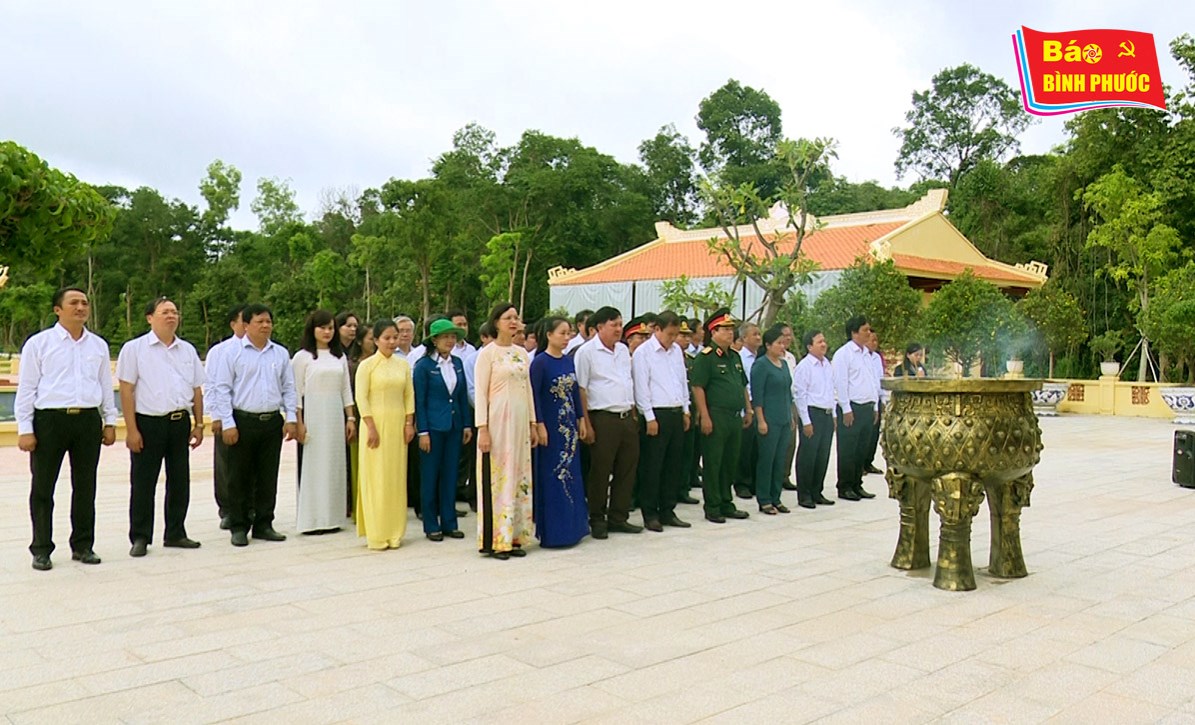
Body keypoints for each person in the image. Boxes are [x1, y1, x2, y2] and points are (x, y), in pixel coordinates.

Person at [17, 287, 117, 570]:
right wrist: (26, 428)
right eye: (73, 303)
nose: (80, 307)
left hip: (86, 421)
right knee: (43, 486)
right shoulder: (39, 344)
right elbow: (27, 389)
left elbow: (105, 387)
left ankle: (83, 545)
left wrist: (109, 421)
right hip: (50, 421)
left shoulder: (98, 345)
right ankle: (41, 548)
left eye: (84, 303)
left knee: (85, 486)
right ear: (57, 309)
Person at [116, 297, 206, 557]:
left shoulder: (187, 350)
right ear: (149, 318)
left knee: (180, 480)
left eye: (175, 312)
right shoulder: (134, 349)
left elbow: (197, 389)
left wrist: (199, 424)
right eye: (165, 312)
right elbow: (126, 390)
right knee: (144, 482)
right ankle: (141, 536)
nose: (171, 316)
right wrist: (131, 430)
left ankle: (176, 532)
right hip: (149, 423)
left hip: (179, 422)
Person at [209, 303, 298, 546]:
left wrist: (291, 418)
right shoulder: (232, 354)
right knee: (238, 476)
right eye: (260, 321)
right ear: (246, 325)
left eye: (268, 321)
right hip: (242, 421)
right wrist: (227, 422)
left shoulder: (279, 353)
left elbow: (289, 388)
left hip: (271, 422)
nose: (265, 325)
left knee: (267, 476)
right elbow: (222, 389)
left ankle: (264, 523)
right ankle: (238, 525)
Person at [474, 303, 538, 559]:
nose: (513, 321)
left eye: (516, 317)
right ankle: (497, 539)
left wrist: (533, 423)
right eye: (507, 317)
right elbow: (480, 393)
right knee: (500, 476)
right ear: (496, 322)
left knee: (520, 475)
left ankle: (515, 536)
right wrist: (483, 428)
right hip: (498, 421)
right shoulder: (487, 354)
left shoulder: (522, 353)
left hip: (521, 423)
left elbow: (529, 389)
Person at [575, 306, 642, 538]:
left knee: (627, 468)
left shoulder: (623, 350)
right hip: (602, 417)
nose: (618, 329)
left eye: (620, 324)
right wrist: (586, 422)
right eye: (613, 325)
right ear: (599, 327)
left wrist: (633, 412)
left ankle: (618, 516)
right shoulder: (586, 352)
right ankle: (597, 517)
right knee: (601, 470)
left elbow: (627, 381)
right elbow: (581, 389)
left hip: (626, 416)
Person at [292, 310, 355, 535]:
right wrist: (298, 421)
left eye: (330, 328)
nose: (327, 332)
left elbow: (346, 389)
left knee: (334, 465)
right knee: (314, 466)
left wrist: (350, 417)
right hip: (313, 415)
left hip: (335, 414)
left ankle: (332, 518)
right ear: (313, 329)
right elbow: (296, 393)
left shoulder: (339, 357)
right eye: (322, 327)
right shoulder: (302, 357)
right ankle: (312, 519)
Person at [355, 318, 415, 550]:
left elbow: (409, 395)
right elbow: (362, 397)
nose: (391, 342)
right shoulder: (367, 365)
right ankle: (377, 532)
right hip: (375, 424)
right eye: (386, 338)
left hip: (398, 423)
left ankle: (395, 531)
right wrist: (370, 426)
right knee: (376, 476)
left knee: (395, 476)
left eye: (395, 337)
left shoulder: (403, 365)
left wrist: (409, 423)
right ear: (376, 340)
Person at [530, 316, 589, 547]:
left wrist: (581, 419)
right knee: (553, 475)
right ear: (549, 335)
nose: (567, 338)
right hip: (551, 429)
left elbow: (575, 392)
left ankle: (574, 528)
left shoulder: (567, 361)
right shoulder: (540, 363)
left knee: (572, 474)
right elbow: (533, 396)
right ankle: (554, 532)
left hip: (569, 428)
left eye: (569, 333)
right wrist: (539, 424)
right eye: (562, 333)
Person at [690, 308, 753, 524]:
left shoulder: (734, 356)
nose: (730, 333)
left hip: (735, 416)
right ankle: (713, 505)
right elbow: (698, 387)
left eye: (731, 329)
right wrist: (704, 416)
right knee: (714, 462)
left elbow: (742, 385)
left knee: (730, 462)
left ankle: (727, 502)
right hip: (716, 415)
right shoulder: (706, 358)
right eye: (725, 329)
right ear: (713, 332)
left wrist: (748, 409)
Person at [630, 311, 692, 531]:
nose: (673, 339)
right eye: (669, 334)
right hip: (656, 413)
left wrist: (685, 409)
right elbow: (641, 386)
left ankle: (668, 509)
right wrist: (649, 416)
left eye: (676, 334)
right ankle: (650, 513)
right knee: (652, 466)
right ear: (657, 329)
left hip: (675, 411)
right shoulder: (643, 353)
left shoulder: (676, 352)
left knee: (673, 466)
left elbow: (681, 381)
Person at [413, 319, 473, 541]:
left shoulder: (457, 363)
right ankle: (431, 524)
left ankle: (449, 521)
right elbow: (419, 402)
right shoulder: (424, 366)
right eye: (446, 336)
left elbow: (461, 395)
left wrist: (466, 424)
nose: (450, 340)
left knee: (450, 475)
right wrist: (423, 432)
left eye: (453, 336)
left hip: (454, 426)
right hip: (433, 428)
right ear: (434, 340)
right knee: (430, 476)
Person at [205, 304, 247, 530]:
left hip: (250, 415)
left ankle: (250, 508)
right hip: (226, 414)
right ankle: (227, 509)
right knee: (226, 466)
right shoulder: (220, 351)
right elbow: (211, 384)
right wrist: (217, 416)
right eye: (244, 320)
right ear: (233, 324)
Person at [832, 315, 880, 501]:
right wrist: (846, 408)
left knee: (862, 448)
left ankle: (857, 484)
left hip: (867, 407)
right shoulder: (844, 354)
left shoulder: (867, 355)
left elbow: (872, 382)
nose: (869, 333)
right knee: (848, 449)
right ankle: (844, 486)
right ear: (854, 333)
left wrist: (875, 406)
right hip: (852, 407)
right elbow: (841, 382)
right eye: (865, 330)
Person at [751, 325, 794, 515]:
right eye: (778, 343)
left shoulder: (784, 365)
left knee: (780, 460)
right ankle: (764, 499)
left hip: (784, 418)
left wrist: (791, 416)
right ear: (768, 345)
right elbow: (757, 396)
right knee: (767, 460)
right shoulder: (761, 365)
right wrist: (760, 420)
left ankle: (776, 497)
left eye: (783, 343)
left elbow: (788, 393)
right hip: (769, 419)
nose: (782, 347)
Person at [793, 330, 837, 509]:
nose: (823, 344)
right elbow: (799, 394)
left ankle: (816, 491)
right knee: (808, 455)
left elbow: (831, 391)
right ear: (810, 346)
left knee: (822, 454)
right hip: (812, 413)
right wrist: (806, 421)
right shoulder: (805, 366)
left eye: (824, 341)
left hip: (826, 413)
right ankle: (804, 494)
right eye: (819, 342)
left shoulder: (827, 364)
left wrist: (833, 414)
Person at [346, 321, 376, 517]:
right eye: (370, 338)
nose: (373, 342)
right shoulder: (353, 366)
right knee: (358, 465)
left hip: (382, 417)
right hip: (360, 419)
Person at [734, 322, 762, 500]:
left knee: (758, 447)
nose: (758, 337)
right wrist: (747, 409)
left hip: (760, 404)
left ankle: (754, 482)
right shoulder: (739, 358)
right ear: (744, 338)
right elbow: (742, 386)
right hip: (747, 404)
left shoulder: (761, 358)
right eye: (754, 334)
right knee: (744, 447)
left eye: (759, 334)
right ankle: (742, 483)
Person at [863, 330, 888, 475]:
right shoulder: (862, 357)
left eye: (876, 340)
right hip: (866, 399)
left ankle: (868, 462)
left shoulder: (877, 358)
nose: (874, 343)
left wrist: (883, 399)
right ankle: (860, 464)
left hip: (877, 397)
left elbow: (880, 379)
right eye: (871, 340)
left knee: (874, 433)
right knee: (865, 435)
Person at [779, 324, 800, 492]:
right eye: (784, 335)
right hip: (778, 401)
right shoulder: (772, 357)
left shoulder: (791, 357)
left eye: (789, 335)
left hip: (792, 401)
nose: (788, 338)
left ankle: (785, 475)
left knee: (791, 442)